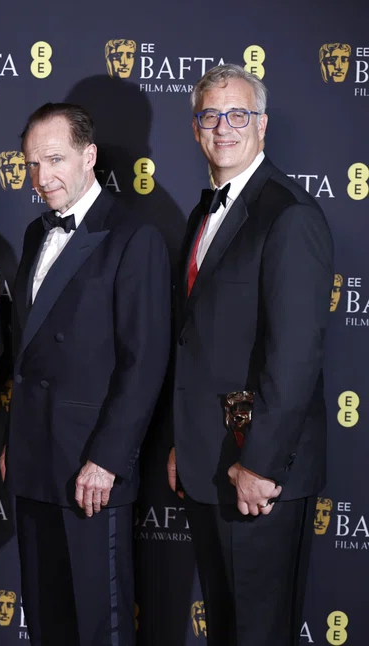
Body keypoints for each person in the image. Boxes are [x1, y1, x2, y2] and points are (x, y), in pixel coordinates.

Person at [169, 64, 333, 646]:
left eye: (238, 115)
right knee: (227, 629)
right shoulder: (203, 212)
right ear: (195, 129)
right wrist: (182, 442)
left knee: (259, 632)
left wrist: (260, 464)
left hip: (259, 471)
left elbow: (294, 358)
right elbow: (200, 341)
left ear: (262, 126)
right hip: (209, 461)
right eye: (211, 115)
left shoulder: (288, 215)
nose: (224, 127)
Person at [1, 102, 170, 646]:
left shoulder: (132, 236)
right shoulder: (34, 233)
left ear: (89, 156)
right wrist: (16, 437)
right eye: (32, 164)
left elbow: (143, 361)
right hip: (33, 458)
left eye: (55, 160)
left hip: (88, 465)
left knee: (99, 623)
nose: (41, 177)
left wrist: (105, 460)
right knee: (46, 618)